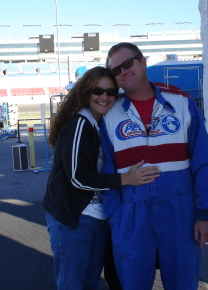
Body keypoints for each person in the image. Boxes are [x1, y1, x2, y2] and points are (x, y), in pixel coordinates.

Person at [100, 43, 208, 290]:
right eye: (115, 70)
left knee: (183, 282)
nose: (123, 72)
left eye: (127, 64)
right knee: (132, 283)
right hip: (131, 213)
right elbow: (107, 171)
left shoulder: (182, 103)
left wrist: (205, 212)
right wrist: (116, 217)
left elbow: (204, 160)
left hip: (180, 211)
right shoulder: (109, 114)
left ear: (142, 62)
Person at [42, 66, 160, 290]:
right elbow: (77, 178)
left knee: (89, 283)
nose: (104, 97)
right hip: (73, 220)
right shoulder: (79, 124)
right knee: (72, 285)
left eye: (110, 92)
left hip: (97, 218)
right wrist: (125, 179)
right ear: (86, 92)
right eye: (98, 90)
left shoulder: (101, 124)